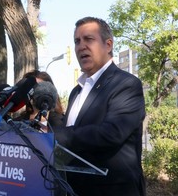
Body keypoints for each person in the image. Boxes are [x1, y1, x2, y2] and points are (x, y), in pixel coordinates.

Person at [54, 17, 146, 196]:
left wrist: (58, 135)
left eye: (89, 39)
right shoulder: (76, 91)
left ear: (108, 45)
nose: (81, 46)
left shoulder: (126, 84)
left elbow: (111, 133)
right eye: (77, 41)